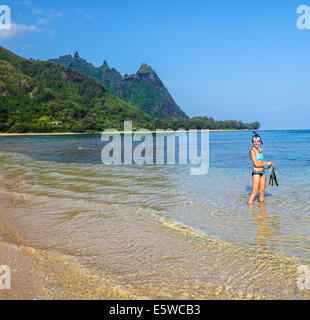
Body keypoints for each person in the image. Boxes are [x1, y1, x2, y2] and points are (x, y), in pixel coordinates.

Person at [248, 134, 273, 205]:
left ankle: (262, 209)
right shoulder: (252, 151)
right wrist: (267, 163)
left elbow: (261, 162)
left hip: (263, 172)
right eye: (254, 141)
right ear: (252, 142)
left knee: (262, 191)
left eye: (258, 141)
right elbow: (256, 164)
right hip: (256, 172)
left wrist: (269, 163)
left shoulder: (259, 150)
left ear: (260, 141)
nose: (256, 143)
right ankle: (250, 209)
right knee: (254, 192)